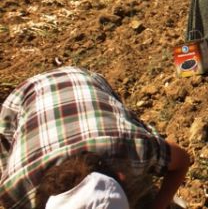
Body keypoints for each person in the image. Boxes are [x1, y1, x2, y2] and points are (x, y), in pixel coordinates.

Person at [0, 67, 191, 209]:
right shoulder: (13, 192)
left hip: (83, 82)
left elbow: (181, 160)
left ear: (121, 176)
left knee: (145, 193)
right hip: (20, 105)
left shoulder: (133, 147)